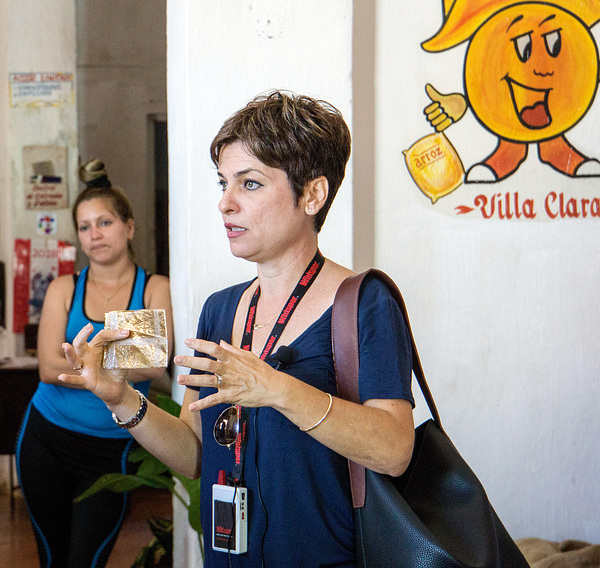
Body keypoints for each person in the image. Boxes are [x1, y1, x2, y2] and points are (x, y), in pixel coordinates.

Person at [58, 91, 415, 567]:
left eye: (249, 184)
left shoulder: (363, 302)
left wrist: (276, 388)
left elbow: (394, 450)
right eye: (223, 183)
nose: (225, 203)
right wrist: (120, 398)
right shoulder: (220, 310)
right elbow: (194, 453)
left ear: (312, 194)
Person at [16, 160, 174, 568]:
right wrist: (111, 362)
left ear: (129, 227)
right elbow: (49, 369)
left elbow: (153, 366)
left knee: (85, 561)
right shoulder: (64, 288)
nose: (94, 234)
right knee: (52, 557)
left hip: (110, 449)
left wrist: (85, 359)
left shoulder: (153, 288)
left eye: (104, 222)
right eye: (85, 227)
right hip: (45, 439)